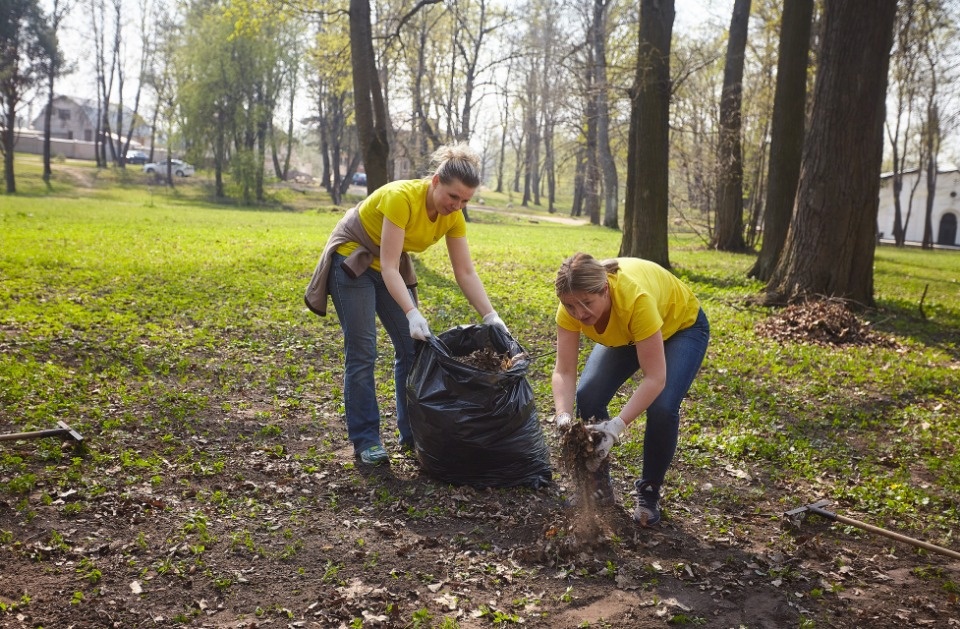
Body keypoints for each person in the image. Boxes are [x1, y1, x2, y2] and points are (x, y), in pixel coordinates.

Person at [305, 144, 508, 467]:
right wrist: (412, 313)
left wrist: (491, 315)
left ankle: (413, 433)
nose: (457, 206)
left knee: (412, 350)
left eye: (465, 201)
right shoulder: (402, 197)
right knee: (363, 351)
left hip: (387, 269)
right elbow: (388, 266)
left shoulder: (453, 219)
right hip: (352, 262)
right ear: (436, 181)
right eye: (453, 197)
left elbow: (465, 271)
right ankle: (367, 440)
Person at [551, 253, 709, 526]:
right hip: (627, 334)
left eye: (587, 304)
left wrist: (616, 427)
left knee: (662, 407)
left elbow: (655, 378)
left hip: (680, 327)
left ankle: (649, 492)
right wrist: (563, 415)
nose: (579, 314)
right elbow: (564, 371)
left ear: (604, 290)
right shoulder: (571, 307)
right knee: (589, 395)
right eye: (571, 307)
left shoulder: (636, 301)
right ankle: (598, 487)